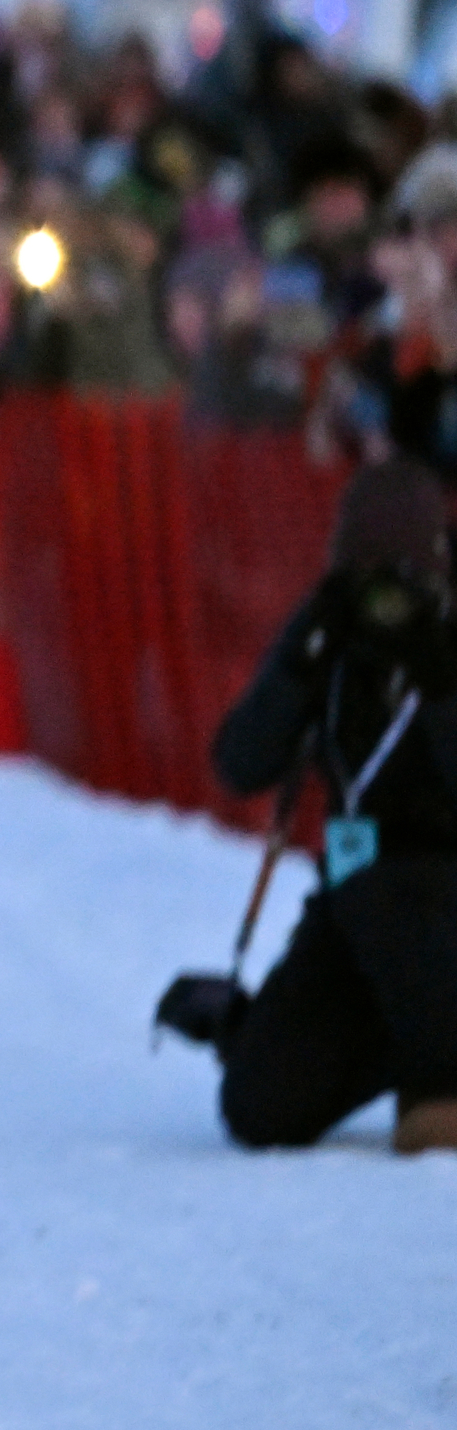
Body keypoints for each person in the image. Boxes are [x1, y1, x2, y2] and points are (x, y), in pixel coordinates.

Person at [173, 458, 457, 1154]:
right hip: (360, 903)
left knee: (392, 893)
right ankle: (406, 1047)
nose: (384, 600)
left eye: (401, 577)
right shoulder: (330, 630)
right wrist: (302, 663)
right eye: (368, 576)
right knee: (258, 1107)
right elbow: (240, 765)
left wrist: (441, 682)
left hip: (444, 894)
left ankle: (441, 1075)